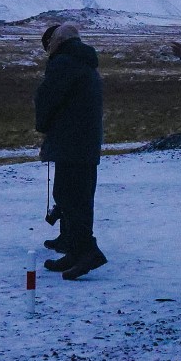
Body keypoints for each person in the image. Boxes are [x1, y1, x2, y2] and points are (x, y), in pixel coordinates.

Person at [35, 20, 107, 279]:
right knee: (79, 197)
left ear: (56, 43)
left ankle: (86, 251)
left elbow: (47, 98)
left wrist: (42, 124)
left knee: (69, 196)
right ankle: (76, 251)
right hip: (85, 143)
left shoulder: (64, 64)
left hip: (70, 141)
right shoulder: (85, 63)